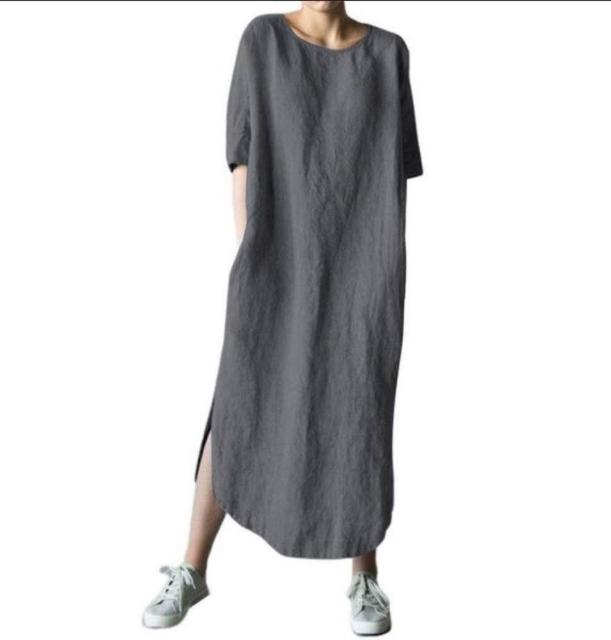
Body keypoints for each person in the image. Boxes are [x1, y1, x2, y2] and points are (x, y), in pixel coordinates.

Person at [142, 1, 423, 635]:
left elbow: (395, 175)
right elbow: (242, 155)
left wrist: (380, 268)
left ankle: (364, 577)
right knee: (242, 392)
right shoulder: (263, 40)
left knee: (358, 399)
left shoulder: (388, 55)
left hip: (363, 257)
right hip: (277, 250)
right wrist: (252, 254)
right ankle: (193, 567)